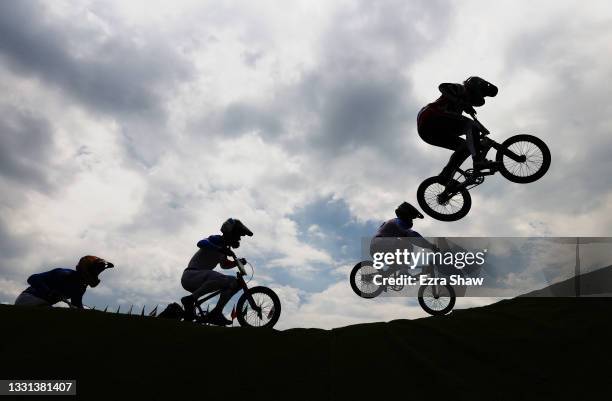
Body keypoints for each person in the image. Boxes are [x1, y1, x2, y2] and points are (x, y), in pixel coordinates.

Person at [417, 76, 498, 183]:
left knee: (466, 147)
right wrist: (461, 102)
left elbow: (468, 122)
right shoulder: (462, 89)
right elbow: (442, 87)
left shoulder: (465, 102)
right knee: (471, 126)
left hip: (428, 132)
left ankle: (446, 175)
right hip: (431, 116)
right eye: (482, 93)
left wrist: (480, 128)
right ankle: (478, 161)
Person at [181, 218, 253, 325]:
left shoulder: (225, 249)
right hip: (191, 275)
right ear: (229, 233)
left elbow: (224, 265)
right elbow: (201, 243)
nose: (238, 239)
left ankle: (216, 312)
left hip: (200, 279)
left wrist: (237, 263)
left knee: (234, 283)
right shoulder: (216, 240)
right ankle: (190, 300)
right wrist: (219, 249)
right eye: (237, 236)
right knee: (220, 277)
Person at [14, 256, 114, 308]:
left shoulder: (81, 287)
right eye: (96, 270)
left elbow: (76, 305)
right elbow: (32, 278)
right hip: (28, 299)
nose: (97, 273)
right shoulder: (63, 274)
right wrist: (48, 291)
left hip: (44, 304)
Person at [370, 202, 438, 272]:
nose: (411, 221)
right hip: (380, 243)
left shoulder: (396, 225)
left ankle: (386, 275)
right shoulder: (398, 221)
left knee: (398, 264)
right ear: (406, 215)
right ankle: (403, 272)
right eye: (411, 218)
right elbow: (412, 235)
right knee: (408, 246)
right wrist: (430, 246)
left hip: (377, 247)